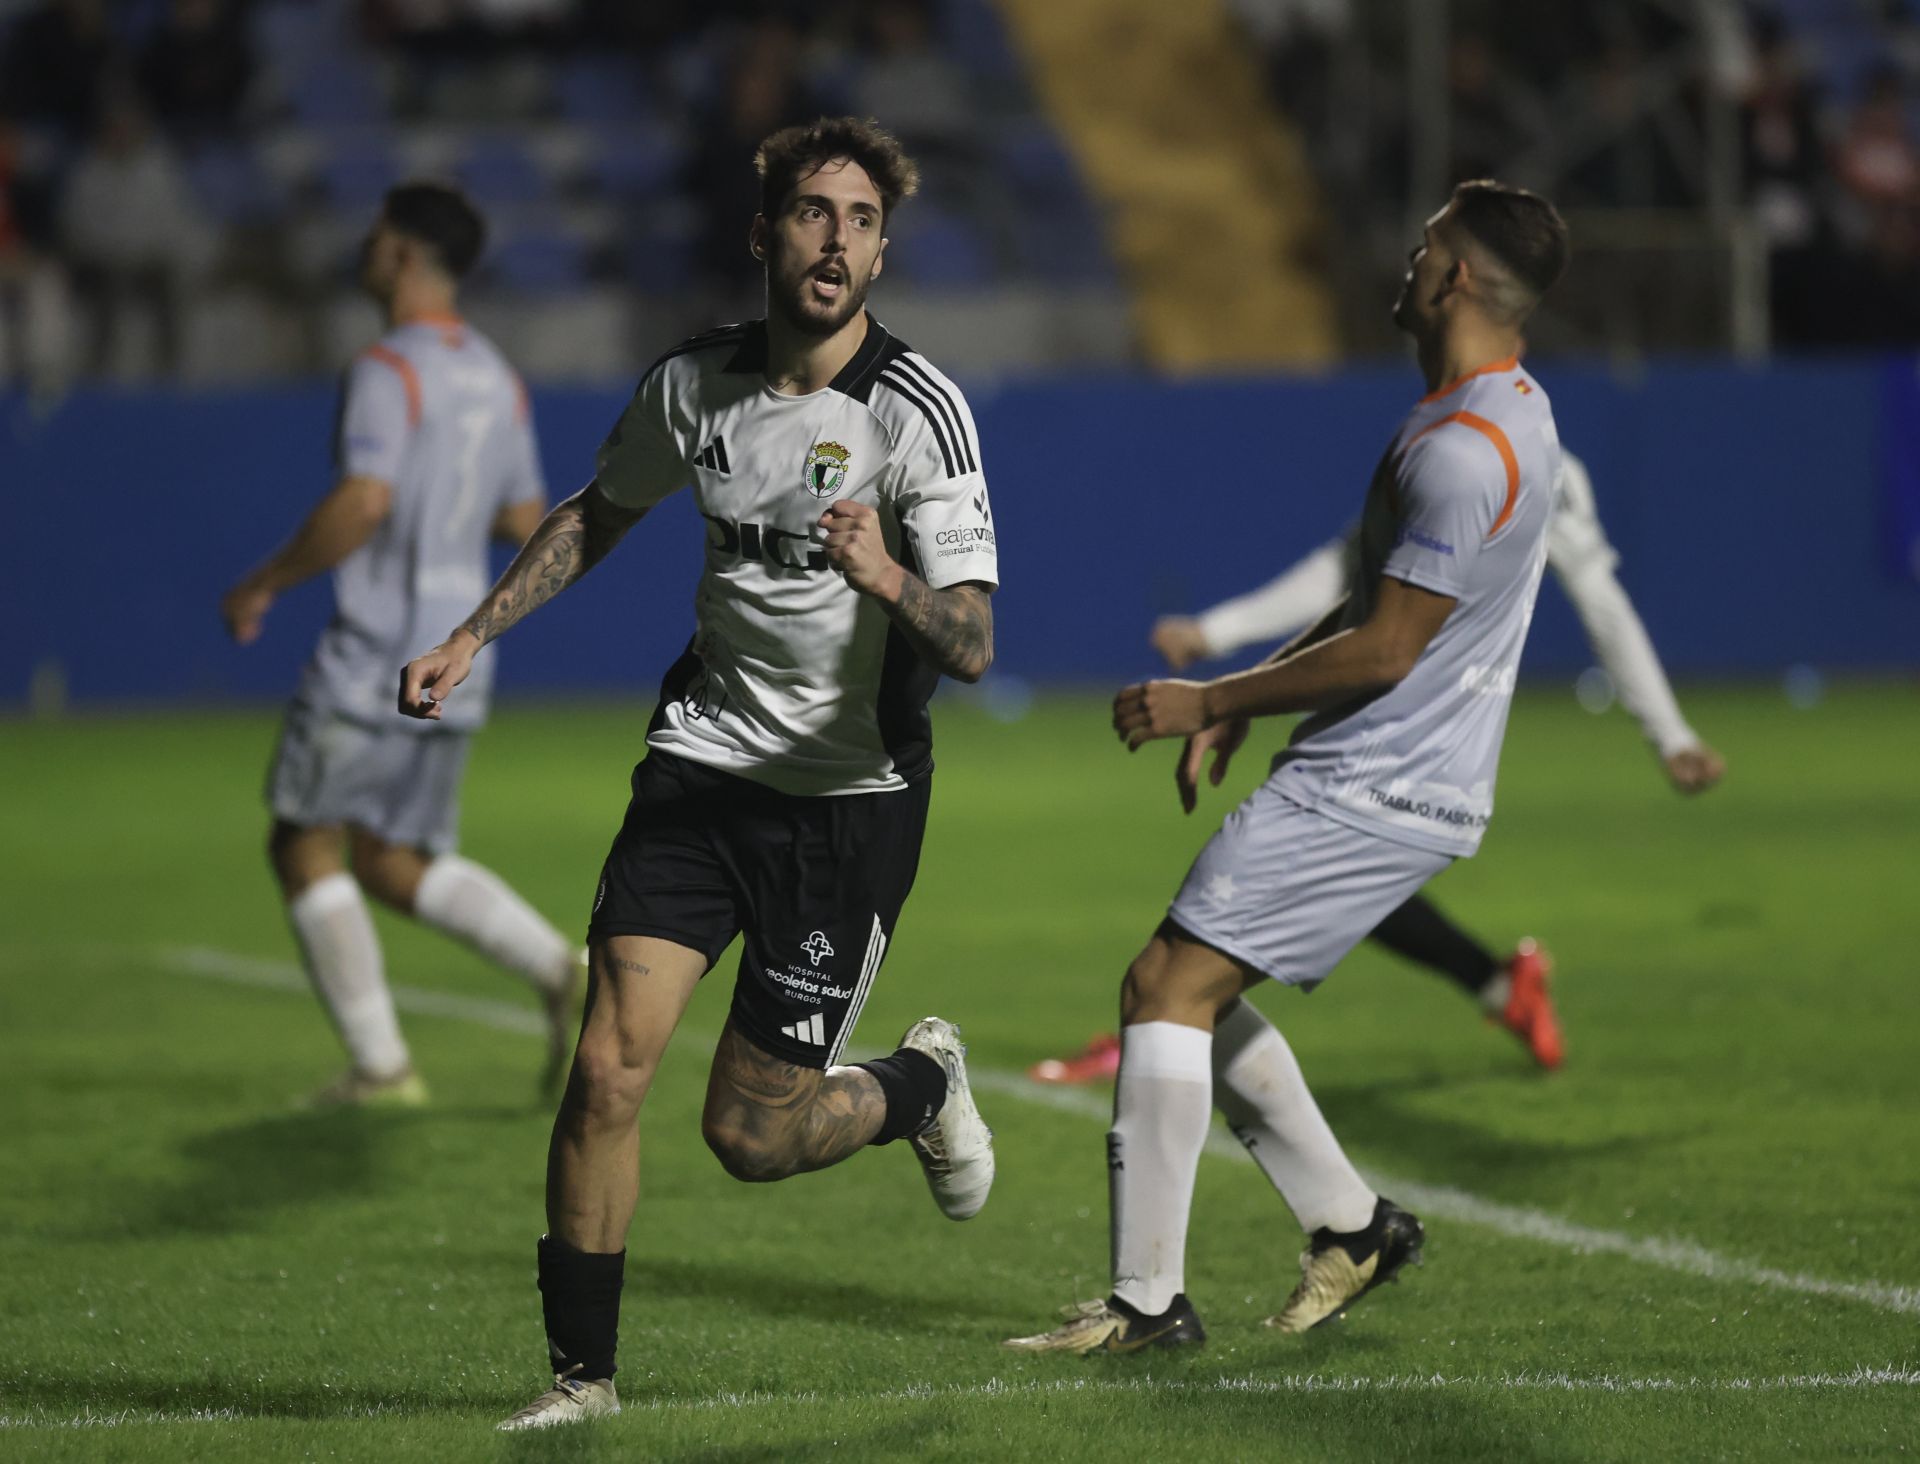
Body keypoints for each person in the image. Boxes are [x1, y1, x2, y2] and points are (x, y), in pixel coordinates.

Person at [397, 117, 1000, 1430]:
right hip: (702, 764)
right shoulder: (694, 387)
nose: (833, 239)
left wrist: (886, 574)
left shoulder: (919, 414)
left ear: (883, 251)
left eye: (858, 220)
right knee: (609, 1069)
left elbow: (971, 641)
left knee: (752, 1137)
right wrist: (469, 633)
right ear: (764, 233)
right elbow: (598, 512)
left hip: (847, 803)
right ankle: (582, 1382)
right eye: (810, 214)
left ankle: (921, 1086)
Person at [1007, 179, 1569, 1354]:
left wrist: (1210, 694)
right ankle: (1351, 1229)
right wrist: (1256, 705)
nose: (1407, 259)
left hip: (1377, 780)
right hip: (1395, 773)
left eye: (1426, 245)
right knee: (1190, 992)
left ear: (1458, 277)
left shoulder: (1467, 450)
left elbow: (1389, 644)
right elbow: (1380, 605)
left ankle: (1146, 1305)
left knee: (1164, 990)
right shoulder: (1508, 411)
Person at [1117, 448, 1727, 1070]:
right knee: (1335, 881)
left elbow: (1602, 601)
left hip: (1431, 733)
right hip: (1375, 715)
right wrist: (1218, 633)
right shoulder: (1434, 439)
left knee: (1290, 891)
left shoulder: (1532, 458)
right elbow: (1351, 571)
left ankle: (1167, 1017)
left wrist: (1669, 734)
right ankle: (1496, 985)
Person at [222, 182, 583, 1108]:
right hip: (464, 651)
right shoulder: (497, 376)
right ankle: (559, 967)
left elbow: (365, 499)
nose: (369, 244)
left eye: (380, 233)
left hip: (376, 651)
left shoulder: (388, 367)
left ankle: (381, 1068)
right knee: (390, 857)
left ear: (406, 255)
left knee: (303, 845)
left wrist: (266, 579)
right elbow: (519, 514)